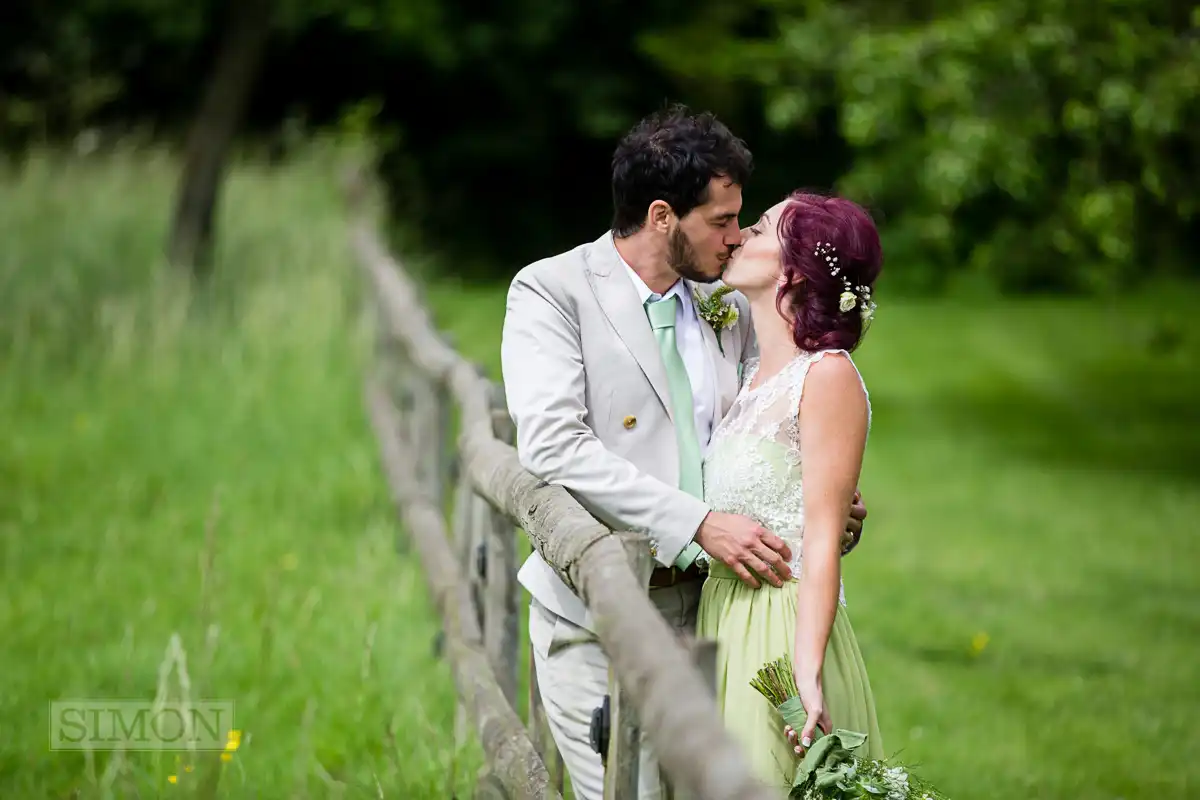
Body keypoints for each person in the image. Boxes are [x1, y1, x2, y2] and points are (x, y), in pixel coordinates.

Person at [499, 105, 868, 799]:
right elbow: (552, 443)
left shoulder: (727, 305)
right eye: (722, 221)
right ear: (664, 216)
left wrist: (814, 501)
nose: (736, 238)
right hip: (596, 612)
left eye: (741, 221)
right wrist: (697, 524)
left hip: (715, 618)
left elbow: (786, 417)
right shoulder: (553, 291)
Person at [694, 190, 887, 790]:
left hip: (778, 630)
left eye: (759, 228)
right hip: (721, 618)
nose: (739, 236)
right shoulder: (754, 378)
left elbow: (823, 540)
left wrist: (805, 672)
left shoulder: (827, 376)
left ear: (795, 269)